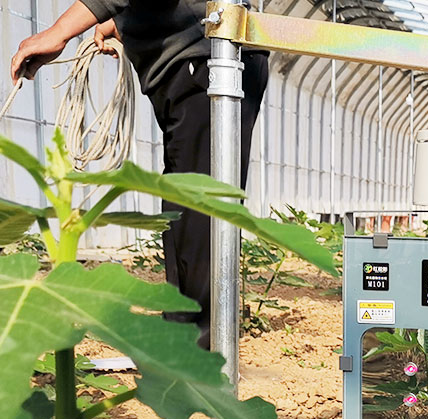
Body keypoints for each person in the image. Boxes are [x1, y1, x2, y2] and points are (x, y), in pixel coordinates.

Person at [11, 2, 269, 350]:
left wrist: (60, 31)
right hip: (192, 66)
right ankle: (181, 340)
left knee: (202, 217)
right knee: (182, 209)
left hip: (212, 60)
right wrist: (122, 21)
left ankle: (202, 355)